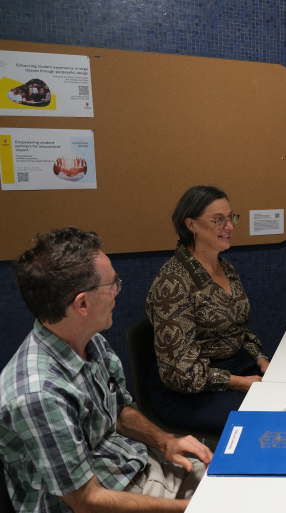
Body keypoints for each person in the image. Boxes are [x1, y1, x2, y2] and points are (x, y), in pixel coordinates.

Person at [0, 227, 211, 512]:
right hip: (106, 500)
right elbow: (86, 501)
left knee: (244, 481)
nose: (116, 292)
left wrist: (164, 441)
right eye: (112, 284)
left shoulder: (90, 340)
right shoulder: (39, 394)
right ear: (82, 303)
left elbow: (118, 408)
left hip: (137, 467)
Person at [145, 185, 269, 434]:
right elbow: (178, 373)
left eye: (231, 218)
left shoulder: (227, 267)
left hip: (238, 367)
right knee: (263, 421)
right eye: (218, 220)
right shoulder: (173, 283)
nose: (230, 227)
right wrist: (239, 383)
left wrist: (262, 361)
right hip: (190, 391)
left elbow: (240, 330)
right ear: (191, 225)